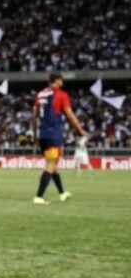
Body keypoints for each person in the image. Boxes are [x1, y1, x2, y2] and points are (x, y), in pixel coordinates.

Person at [31, 72, 88, 203]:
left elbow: (34, 117)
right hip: (53, 134)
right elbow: (70, 115)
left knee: (54, 164)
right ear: (57, 81)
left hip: (42, 135)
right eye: (61, 80)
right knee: (51, 164)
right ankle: (39, 196)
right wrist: (80, 130)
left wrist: (35, 135)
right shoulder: (61, 95)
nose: (63, 83)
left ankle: (62, 193)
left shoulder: (40, 95)